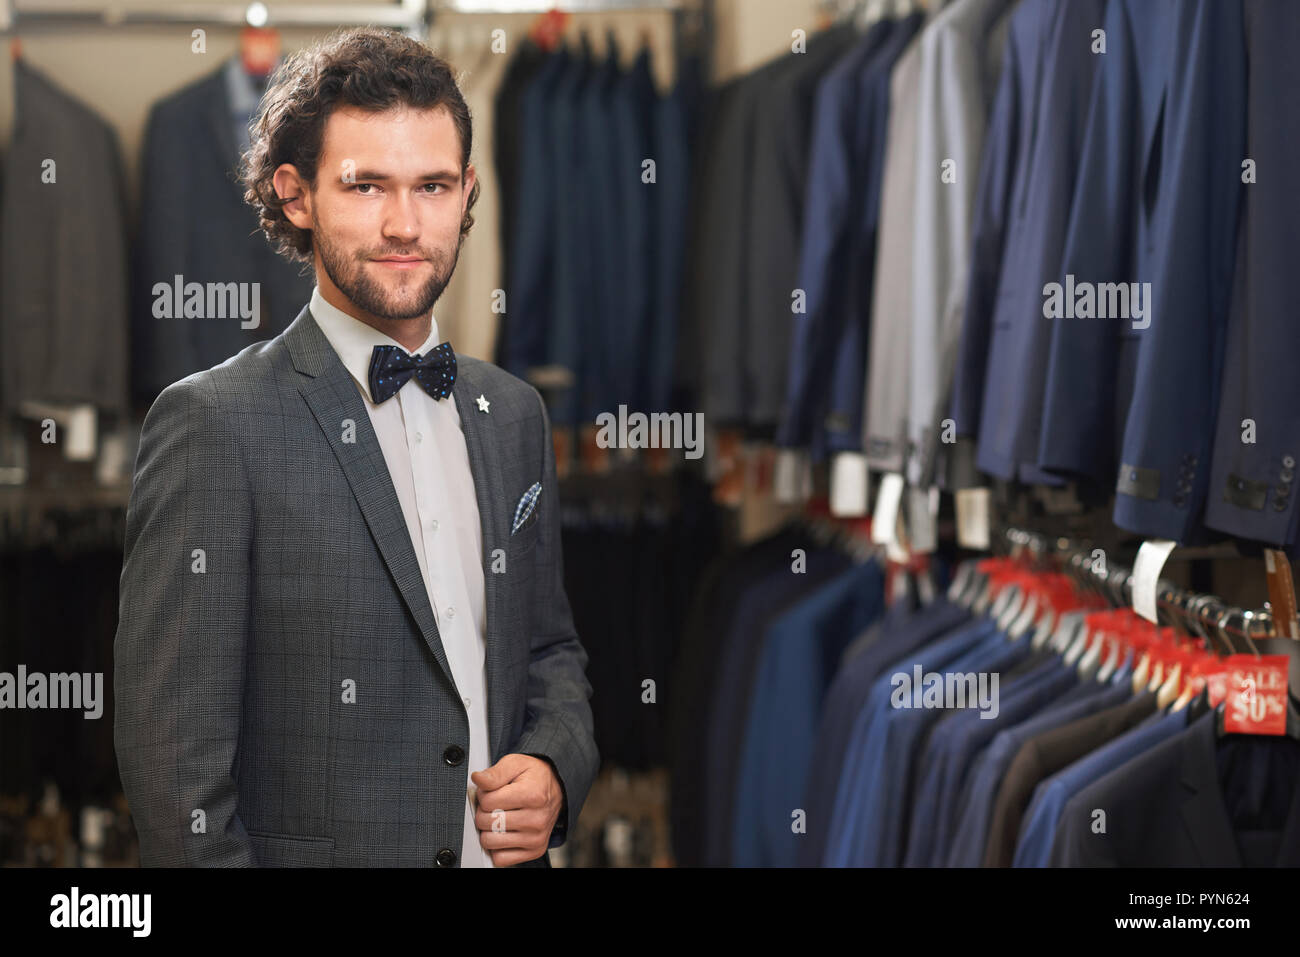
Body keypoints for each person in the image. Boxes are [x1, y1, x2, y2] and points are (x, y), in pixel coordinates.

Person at [114, 26, 598, 868]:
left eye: (433, 186)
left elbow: (550, 649)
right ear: (295, 194)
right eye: (367, 185)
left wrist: (557, 764)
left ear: (468, 192)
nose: (405, 223)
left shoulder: (514, 414)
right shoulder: (213, 425)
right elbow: (174, 777)